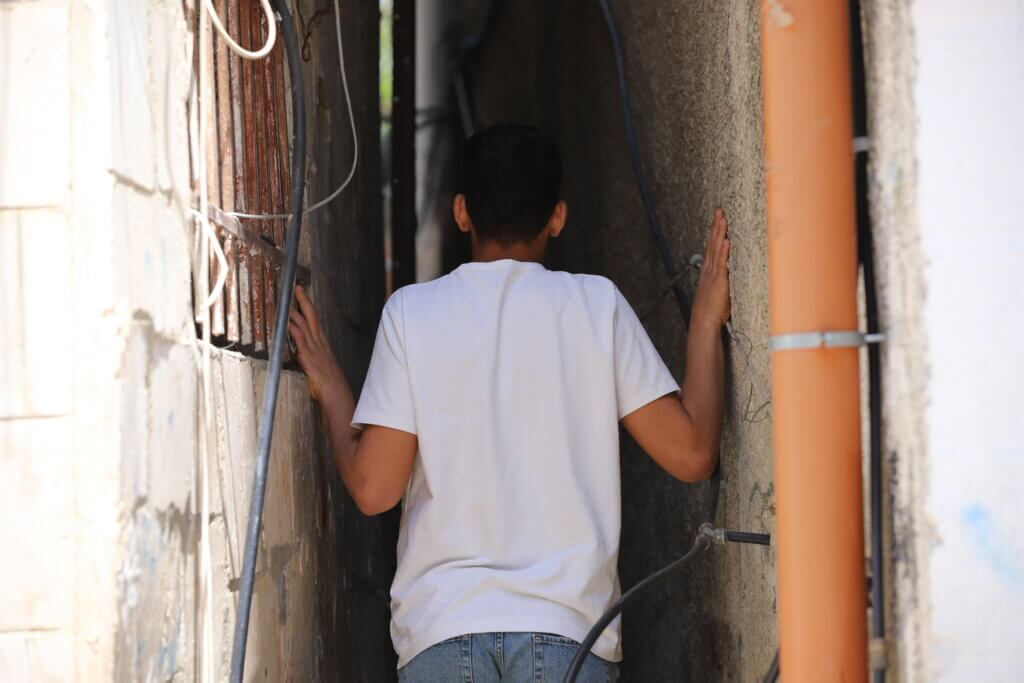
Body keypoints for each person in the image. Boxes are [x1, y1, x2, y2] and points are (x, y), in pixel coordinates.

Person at [288, 123, 731, 682]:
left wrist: (330, 388)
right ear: (557, 216)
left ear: (462, 212)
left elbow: (374, 489)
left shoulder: (412, 315)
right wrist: (704, 323)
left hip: (442, 632)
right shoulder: (596, 307)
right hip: (571, 634)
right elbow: (692, 454)